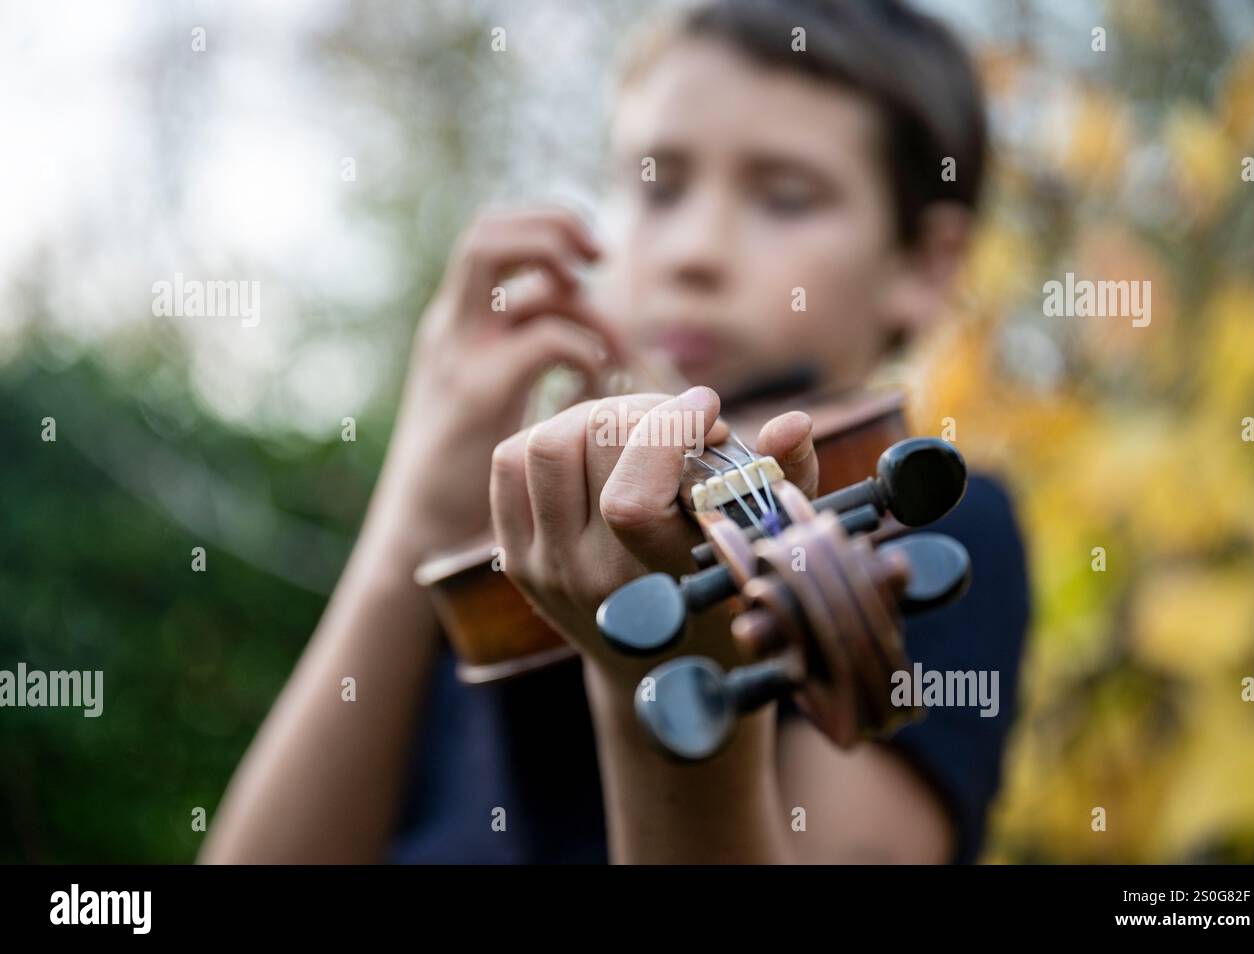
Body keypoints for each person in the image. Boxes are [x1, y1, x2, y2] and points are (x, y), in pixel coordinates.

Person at [200, 0, 1030, 865]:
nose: (692, 251)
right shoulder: (511, 559)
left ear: (925, 266)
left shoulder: (929, 519)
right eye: (658, 187)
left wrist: (663, 688)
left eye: (785, 198)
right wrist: (410, 522)